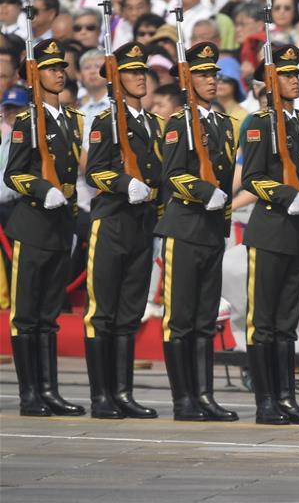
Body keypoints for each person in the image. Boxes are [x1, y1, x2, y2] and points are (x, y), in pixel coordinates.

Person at [242, 44, 299, 426]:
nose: (295, 80)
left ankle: (287, 398)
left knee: (287, 320)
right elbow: (254, 177)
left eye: (296, 75)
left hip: (298, 231)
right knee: (265, 320)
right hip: (270, 229)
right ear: (270, 82)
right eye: (287, 75)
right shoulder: (259, 123)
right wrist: (284, 194)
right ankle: (266, 401)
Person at [156, 42, 238, 422]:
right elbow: (173, 176)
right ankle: (183, 399)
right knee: (181, 317)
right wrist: (206, 192)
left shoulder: (223, 124)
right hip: (185, 227)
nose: (212, 81)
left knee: (205, 318)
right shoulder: (178, 123)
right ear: (187, 81)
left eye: (214, 74)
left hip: (209, 230)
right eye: (203, 75)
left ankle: (204, 395)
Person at [5, 38, 85, 417]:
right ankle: (29, 394)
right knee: (27, 314)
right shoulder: (26, 120)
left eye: (61, 68)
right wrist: (41, 189)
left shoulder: (69, 119)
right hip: (33, 224)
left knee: (49, 313)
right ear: (33, 78)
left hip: (59, 225)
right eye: (51, 68)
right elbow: (13, 173)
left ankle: (50, 390)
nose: (59, 72)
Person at [83, 42, 162, 420]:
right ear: (116, 81)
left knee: (130, 311)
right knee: (103, 311)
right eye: (131, 72)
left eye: (142, 71)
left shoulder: (152, 124)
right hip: (112, 221)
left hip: (142, 224)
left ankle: (124, 392)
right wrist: (121, 183)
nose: (139, 77)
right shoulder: (105, 122)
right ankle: (102, 396)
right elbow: (94, 171)